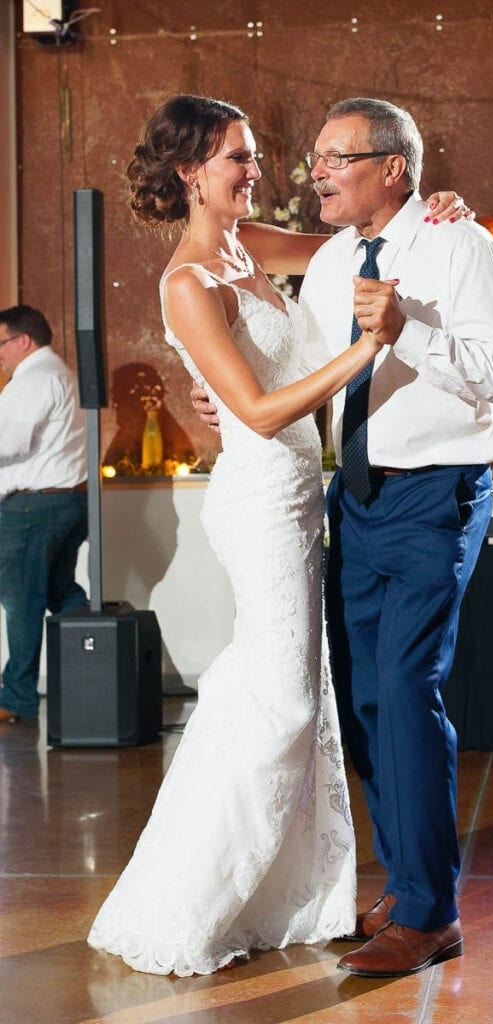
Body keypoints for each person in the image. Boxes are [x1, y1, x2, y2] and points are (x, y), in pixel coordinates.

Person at [87, 94, 468, 978]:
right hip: (259, 497)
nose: (255, 170)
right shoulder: (186, 282)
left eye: (255, 154)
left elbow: (358, 247)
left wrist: (435, 210)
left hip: (308, 490)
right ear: (190, 173)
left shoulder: (249, 245)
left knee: (305, 698)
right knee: (283, 700)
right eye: (236, 158)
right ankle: (189, 897)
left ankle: (292, 896)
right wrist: (367, 350)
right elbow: (255, 412)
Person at [195, 96, 493, 978]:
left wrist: (410, 333)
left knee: (406, 687)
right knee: (365, 701)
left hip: (436, 493)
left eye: (333, 158)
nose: (315, 173)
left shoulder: (461, 247)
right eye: (312, 159)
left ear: (393, 166)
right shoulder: (337, 256)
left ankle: (429, 913)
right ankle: (406, 885)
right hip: (354, 498)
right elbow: (307, 370)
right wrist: (225, 401)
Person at [0, 305, 88, 724]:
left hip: (34, 507)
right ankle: (93, 674)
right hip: (63, 502)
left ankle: (16, 699)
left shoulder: (34, 378)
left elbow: (7, 442)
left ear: (23, 341)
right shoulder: (57, 373)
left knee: (22, 601)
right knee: (60, 594)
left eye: (0, 344)